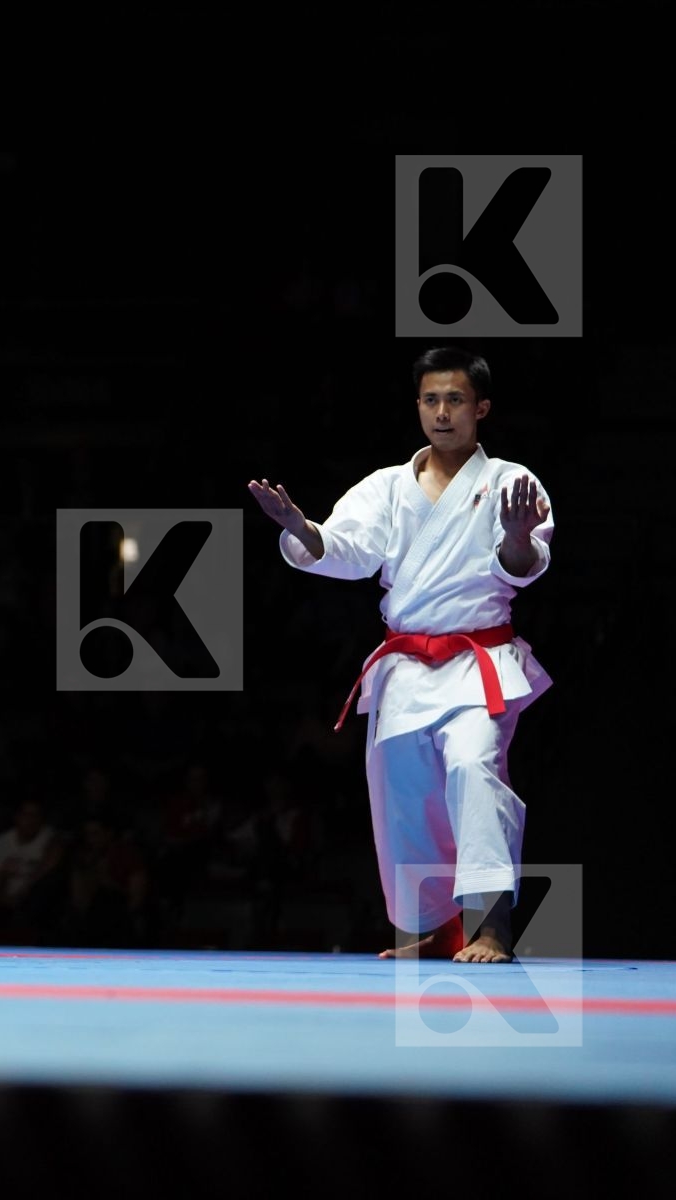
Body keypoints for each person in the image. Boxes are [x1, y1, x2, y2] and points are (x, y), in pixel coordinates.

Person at [248, 346, 553, 964]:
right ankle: (440, 927)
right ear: (418, 406)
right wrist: (298, 526)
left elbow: (520, 569)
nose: (443, 412)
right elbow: (343, 548)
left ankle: (492, 926)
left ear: (481, 408)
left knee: (474, 770)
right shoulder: (387, 487)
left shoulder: (512, 483)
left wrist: (519, 538)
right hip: (407, 669)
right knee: (403, 792)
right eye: (431, 400)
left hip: (477, 663)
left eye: (456, 400)